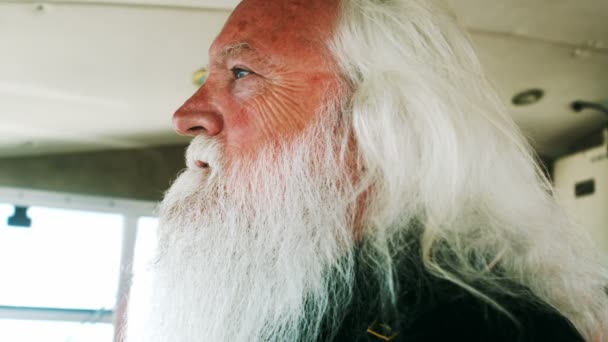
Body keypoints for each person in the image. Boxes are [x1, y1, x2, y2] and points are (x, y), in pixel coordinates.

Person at [124, 0, 608, 341]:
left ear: (380, 123)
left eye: (243, 74)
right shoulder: (283, 300)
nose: (188, 115)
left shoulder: (485, 330)